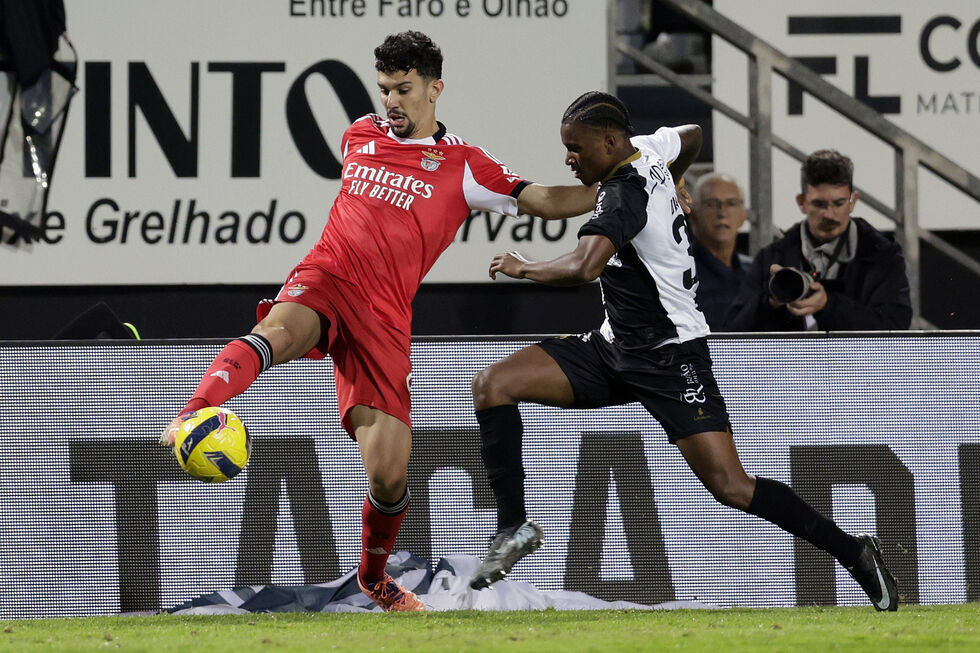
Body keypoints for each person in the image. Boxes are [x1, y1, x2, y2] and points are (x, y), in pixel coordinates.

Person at [158, 31, 597, 613]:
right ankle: (194, 412)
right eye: (385, 88)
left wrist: (617, 185)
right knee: (277, 333)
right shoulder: (358, 135)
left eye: (405, 89)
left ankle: (374, 578)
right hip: (328, 277)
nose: (391, 100)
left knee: (390, 477)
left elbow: (542, 199)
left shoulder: (467, 166)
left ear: (435, 88)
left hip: (386, 317)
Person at [468, 91, 899, 612]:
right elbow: (692, 133)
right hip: (614, 347)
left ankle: (854, 553)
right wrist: (676, 176)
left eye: (575, 149)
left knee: (732, 486)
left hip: (671, 357)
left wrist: (525, 266)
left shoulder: (623, 192)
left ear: (609, 143)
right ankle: (513, 527)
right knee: (494, 384)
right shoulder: (646, 151)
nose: (568, 159)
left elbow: (584, 266)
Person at [725, 150, 912, 331]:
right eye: (819, 204)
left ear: (853, 201)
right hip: (791, 362)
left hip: (858, 363)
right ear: (802, 202)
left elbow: (895, 328)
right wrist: (772, 300)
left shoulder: (883, 257)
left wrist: (828, 305)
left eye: (839, 203)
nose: (829, 214)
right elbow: (732, 333)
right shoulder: (772, 257)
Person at [687, 172, 751, 330]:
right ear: (693, 215)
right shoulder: (680, 272)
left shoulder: (755, 271)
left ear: (744, 216)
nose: (722, 213)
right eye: (711, 203)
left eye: (731, 203)